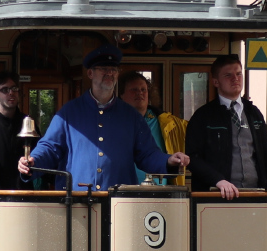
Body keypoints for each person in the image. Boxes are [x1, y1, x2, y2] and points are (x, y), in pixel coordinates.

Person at [18, 45, 189, 190]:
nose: (110, 73)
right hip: (77, 201)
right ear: (90, 74)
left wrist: (169, 160)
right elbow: (50, 147)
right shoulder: (69, 112)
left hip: (119, 203)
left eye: (113, 69)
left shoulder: (130, 116)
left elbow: (148, 154)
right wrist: (33, 161)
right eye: (104, 69)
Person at [185, 54, 267, 200]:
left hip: (255, 196)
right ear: (216, 82)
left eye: (238, 74)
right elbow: (193, 158)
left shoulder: (254, 113)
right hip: (216, 197)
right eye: (228, 75)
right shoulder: (203, 116)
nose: (235, 79)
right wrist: (218, 181)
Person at [118, 71, 188, 185]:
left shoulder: (168, 122)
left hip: (159, 189)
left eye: (143, 89)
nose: (139, 93)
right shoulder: (114, 121)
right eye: (134, 90)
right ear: (121, 94)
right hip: (124, 190)